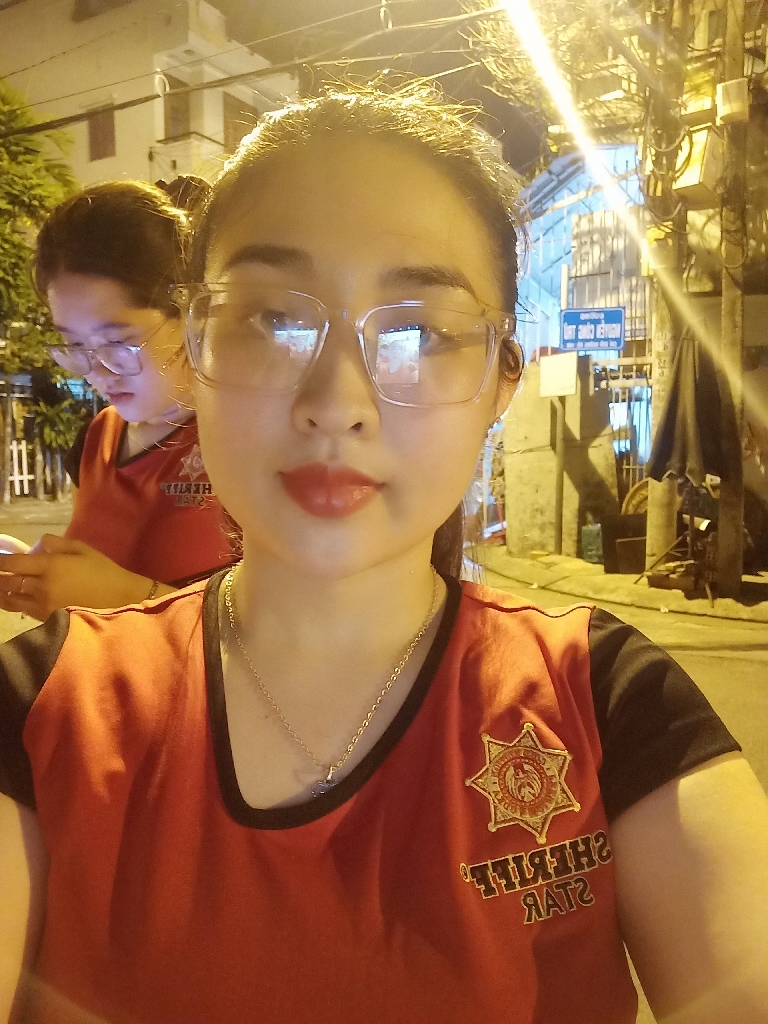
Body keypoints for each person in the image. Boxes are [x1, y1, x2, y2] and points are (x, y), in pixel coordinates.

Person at [1, 83, 767, 1024]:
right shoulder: (41, 709)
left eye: (416, 332)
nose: (338, 402)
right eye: (274, 320)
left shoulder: (605, 700)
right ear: (197, 348)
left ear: (502, 382)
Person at [0, 180, 234, 621]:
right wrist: (41, 579)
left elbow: (289, 633)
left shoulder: (246, 440)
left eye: (118, 343)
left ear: (192, 315)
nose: (97, 372)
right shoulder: (98, 438)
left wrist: (123, 597)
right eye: (75, 347)